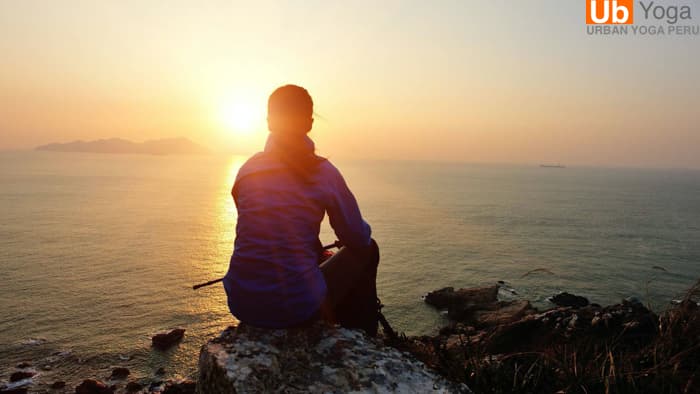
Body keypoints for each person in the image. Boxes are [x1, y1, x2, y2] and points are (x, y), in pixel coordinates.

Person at [223, 84, 381, 336]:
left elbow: (265, 230)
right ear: (309, 123)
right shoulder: (324, 173)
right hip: (297, 309)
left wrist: (313, 250)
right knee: (369, 249)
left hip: (242, 303)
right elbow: (357, 238)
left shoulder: (246, 171)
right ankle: (362, 337)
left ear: (268, 122)